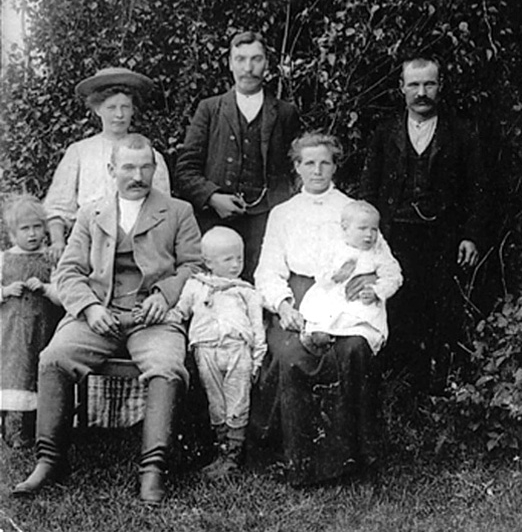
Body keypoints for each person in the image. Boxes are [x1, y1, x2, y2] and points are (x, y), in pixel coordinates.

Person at [13, 134, 202, 506]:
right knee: (54, 358)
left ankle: (153, 468)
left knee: (166, 367)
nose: (137, 176)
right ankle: (49, 460)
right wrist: (89, 307)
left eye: (145, 167)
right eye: (128, 167)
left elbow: (193, 266)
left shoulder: (178, 211)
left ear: (155, 168)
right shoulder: (91, 213)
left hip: (152, 317)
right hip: (98, 313)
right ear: (112, 169)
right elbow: (68, 272)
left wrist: (164, 295)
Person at [252, 133, 396, 487]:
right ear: (297, 167)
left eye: (325, 163)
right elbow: (268, 270)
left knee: (353, 349)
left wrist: (371, 285)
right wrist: (283, 305)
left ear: (334, 167)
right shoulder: (282, 213)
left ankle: (351, 457)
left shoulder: (353, 209)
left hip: (348, 301)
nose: (317, 170)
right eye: (309, 163)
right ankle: (298, 460)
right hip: (299, 297)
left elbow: (381, 258)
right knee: (291, 355)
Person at [44, 67, 171, 428]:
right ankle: (63, 412)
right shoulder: (80, 151)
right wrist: (58, 239)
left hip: (136, 258)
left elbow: (163, 213)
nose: (119, 114)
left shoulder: (149, 155)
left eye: (125, 107)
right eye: (111, 107)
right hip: (88, 253)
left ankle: (131, 416)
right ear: (97, 110)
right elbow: (58, 206)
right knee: (68, 303)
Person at [359, 54, 486, 393]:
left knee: (439, 309)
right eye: (414, 84)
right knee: (396, 304)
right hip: (394, 234)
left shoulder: (461, 133)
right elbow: (369, 188)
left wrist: (471, 235)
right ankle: (396, 384)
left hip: (442, 237)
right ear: (401, 88)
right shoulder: (385, 132)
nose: (421, 93)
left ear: (440, 86)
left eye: (429, 84)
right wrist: (368, 234)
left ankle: (435, 385)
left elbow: (478, 190)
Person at [174, 31, 301, 281]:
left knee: (266, 284)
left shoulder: (285, 113)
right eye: (240, 59)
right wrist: (212, 197)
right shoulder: (210, 109)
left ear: (267, 64)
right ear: (230, 63)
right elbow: (185, 170)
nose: (248, 68)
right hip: (216, 221)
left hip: (268, 221)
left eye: (256, 59)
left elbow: (297, 171)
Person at [167, 226, 266, 479]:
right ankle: (220, 450)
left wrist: (257, 359)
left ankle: (234, 454)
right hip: (206, 349)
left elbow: (257, 328)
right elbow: (181, 310)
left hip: (237, 350)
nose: (235, 265)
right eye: (227, 259)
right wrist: (171, 315)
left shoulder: (246, 291)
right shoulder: (195, 285)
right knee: (216, 400)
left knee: (238, 400)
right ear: (208, 262)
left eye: (239, 258)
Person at [299, 200, 402, 357]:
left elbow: (393, 275)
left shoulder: (378, 250)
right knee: (322, 317)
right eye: (362, 228)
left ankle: (338, 338)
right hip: (332, 297)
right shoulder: (335, 246)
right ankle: (320, 335)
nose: (369, 235)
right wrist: (336, 276)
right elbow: (320, 274)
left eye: (374, 229)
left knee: (360, 329)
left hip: (361, 303)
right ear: (345, 228)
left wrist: (377, 291)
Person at [0, 195, 62, 448]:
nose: (33, 234)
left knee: (40, 372)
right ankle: (12, 427)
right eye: (25, 229)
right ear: (12, 234)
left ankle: (37, 426)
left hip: (43, 329)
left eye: (37, 227)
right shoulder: (5, 259)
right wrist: (5, 291)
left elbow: (62, 293)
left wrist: (45, 288)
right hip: (12, 332)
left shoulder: (50, 258)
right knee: (14, 373)